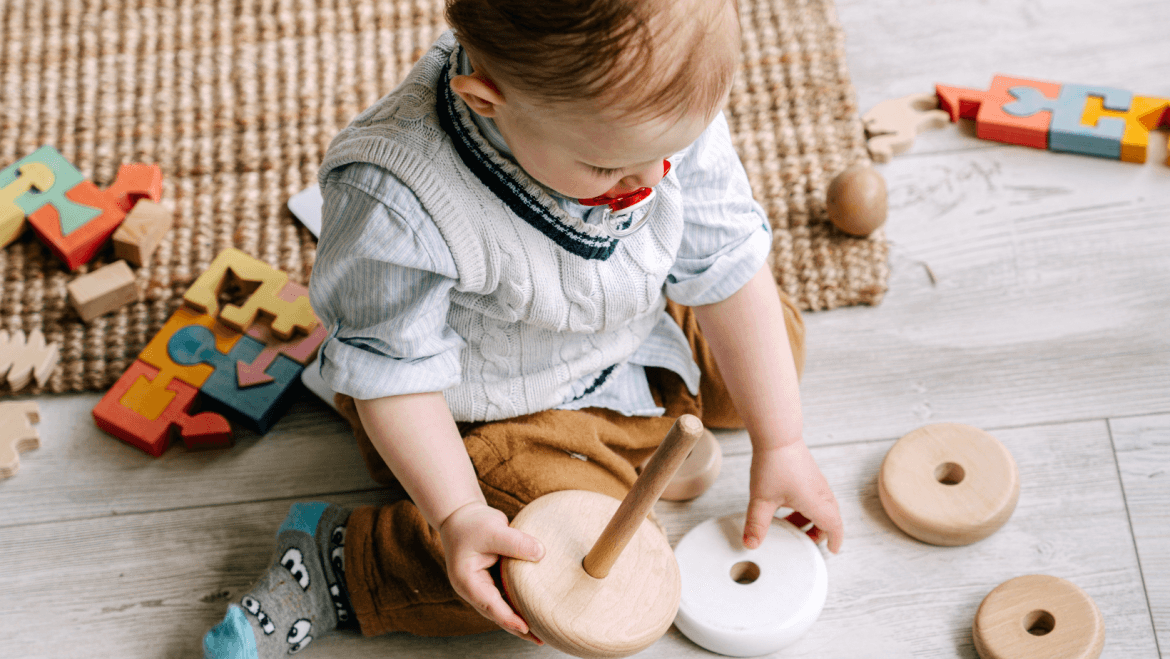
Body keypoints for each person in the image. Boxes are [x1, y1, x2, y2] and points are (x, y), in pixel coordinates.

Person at [204, 0, 843, 656]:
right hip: (490, 407)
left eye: (671, 151)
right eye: (609, 169)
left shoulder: (649, 110)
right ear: (487, 101)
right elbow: (394, 378)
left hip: (627, 323)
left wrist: (783, 441)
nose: (653, 179)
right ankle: (341, 563)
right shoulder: (396, 198)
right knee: (547, 563)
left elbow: (724, 261)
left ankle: (658, 414)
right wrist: (456, 514)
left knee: (775, 347)